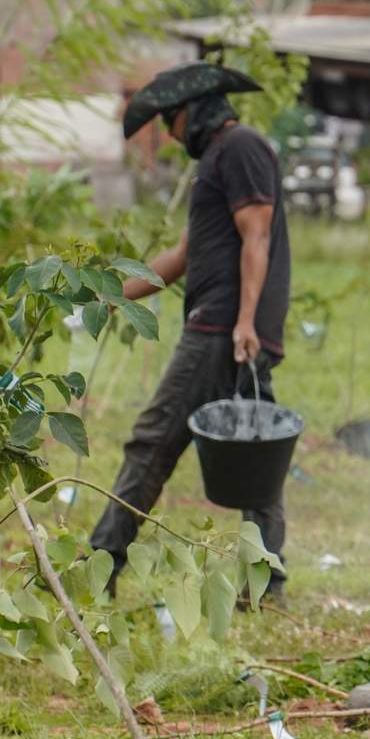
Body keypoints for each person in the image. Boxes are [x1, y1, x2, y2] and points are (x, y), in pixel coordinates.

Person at [93, 62, 291, 592]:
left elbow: (257, 237)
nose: (169, 133)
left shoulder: (240, 147)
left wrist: (245, 321)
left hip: (223, 328)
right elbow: (183, 254)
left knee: (152, 441)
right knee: (256, 456)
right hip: (232, 328)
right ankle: (265, 585)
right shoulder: (216, 161)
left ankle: (100, 562)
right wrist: (112, 292)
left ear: (193, 110)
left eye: (169, 121)